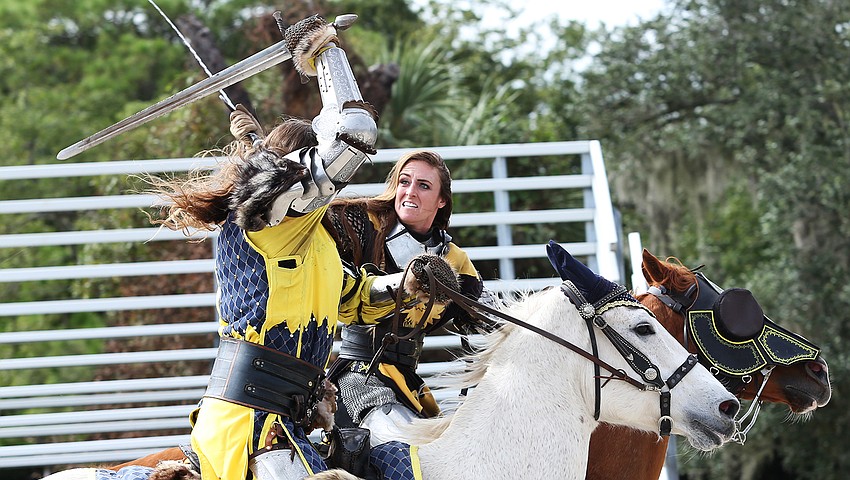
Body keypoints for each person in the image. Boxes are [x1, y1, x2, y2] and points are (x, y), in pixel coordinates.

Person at [144, 14, 435, 480]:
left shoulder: (313, 239)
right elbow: (352, 135)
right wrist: (324, 53)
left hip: (296, 423)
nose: (327, 183)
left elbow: (354, 298)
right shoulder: (266, 218)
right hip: (250, 425)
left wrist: (410, 282)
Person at [323, 150, 491, 478]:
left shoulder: (456, 259)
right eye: (404, 181)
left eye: (424, 186)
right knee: (403, 458)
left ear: (442, 201)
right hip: (358, 374)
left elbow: (480, 323)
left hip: (408, 383)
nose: (410, 191)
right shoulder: (361, 222)